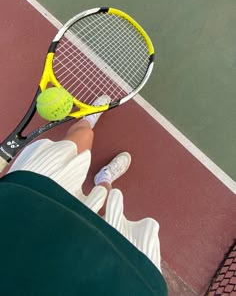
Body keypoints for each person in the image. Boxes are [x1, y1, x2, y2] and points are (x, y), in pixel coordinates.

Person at [0, 96, 168, 295]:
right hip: (125, 275)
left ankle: (87, 120)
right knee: (107, 207)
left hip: (22, 209)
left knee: (80, 137)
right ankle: (104, 179)